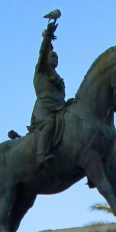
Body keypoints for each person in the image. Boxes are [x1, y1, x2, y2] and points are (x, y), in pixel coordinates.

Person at [29, 18, 66, 167]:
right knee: (49, 124)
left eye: (57, 56)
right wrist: (47, 37)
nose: (56, 58)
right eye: (53, 56)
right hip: (44, 109)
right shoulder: (41, 70)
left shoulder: (58, 77)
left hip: (60, 108)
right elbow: (43, 52)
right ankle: (41, 155)